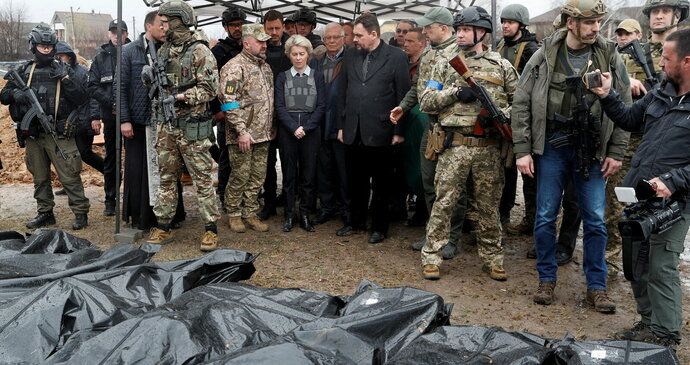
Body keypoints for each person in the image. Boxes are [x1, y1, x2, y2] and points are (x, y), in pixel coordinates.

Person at [512, 0, 631, 312]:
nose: (595, 28)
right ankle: (546, 280)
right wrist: (523, 150)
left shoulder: (609, 55)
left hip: (591, 149)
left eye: (598, 22)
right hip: (552, 146)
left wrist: (616, 151)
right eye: (589, 22)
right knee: (545, 215)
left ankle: (596, 287)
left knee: (595, 219)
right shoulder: (545, 54)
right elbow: (522, 102)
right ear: (570, 22)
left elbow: (625, 105)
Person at [590, 26, 690, 351]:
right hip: (639, 196)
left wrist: (672, 182)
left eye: (666, 57)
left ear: (687, 62)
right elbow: (631, 119)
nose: (660, 62)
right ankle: (648, 323)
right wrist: (607, 95)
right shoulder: (662, 91)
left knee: (660, 264)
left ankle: (665, 336)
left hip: (675, 203)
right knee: (636, 262)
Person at [419, 7, 517, 281]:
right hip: (454, 146)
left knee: (488, 207)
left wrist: (497, 117)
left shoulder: (501, 66)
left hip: (488, 147)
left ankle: (492, 259)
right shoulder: (444, 63)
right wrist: (455, 93)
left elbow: (519, 105)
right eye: (458, 29)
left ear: (482, 32)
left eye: (465, 30)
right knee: (444, 204)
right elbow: (426, 101)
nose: (459, 34)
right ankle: (432, 257)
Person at [145, 0, 221, 251]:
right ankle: (164, 225)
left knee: (202, 179)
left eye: (165, 22)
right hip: (167, 125)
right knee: (166, 177)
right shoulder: (163, 50)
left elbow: (210, 90)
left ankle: (210, 229)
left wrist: (180, 97)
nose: (162, 27)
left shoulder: (200, 51)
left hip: (192, 126)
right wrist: (151, 80)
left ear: (178, 22)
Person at [391, 7, 465, 260]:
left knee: (453, 188)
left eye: (429, 27)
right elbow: (418, 88)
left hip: (454, 130)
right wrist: (403, 106)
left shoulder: (462, 53)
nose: (424, 31)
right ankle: (435, 235)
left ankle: (452, 238)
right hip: (431, 129)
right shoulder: (430, 55)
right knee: (430, 184)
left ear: (444, 28)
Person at [0, 24, 90, 230]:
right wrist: (16, 95)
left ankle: (80, 212)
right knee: (40, 177)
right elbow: (4, 96)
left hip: (58, 132)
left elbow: (82, 98)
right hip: (33, 134)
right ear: (33, 46)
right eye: (42, 46)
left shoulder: (64, 69)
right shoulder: (24, 70)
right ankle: (45, 212)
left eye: (49, 47)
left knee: (70, 175)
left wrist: (66, 79)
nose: (47, 50)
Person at [336, 12, 410, 243]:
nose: (354, 39)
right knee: (355, 180)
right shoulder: (350, 55)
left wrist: (399, 131)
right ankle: (355, 222)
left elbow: (403, 95)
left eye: (359, 35)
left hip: (382, 130)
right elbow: (342, 92)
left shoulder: (396, 57)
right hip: (353, 130)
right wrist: (341, 126)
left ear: (374, 34)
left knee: (381, 183)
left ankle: (379, 227)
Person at [120, 11, 185, 231]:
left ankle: (169, 216)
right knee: (139, 170)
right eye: (161, 24)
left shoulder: (170, 50)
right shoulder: (129, 51)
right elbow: (119, 87)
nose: (166, 28)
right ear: (149, 26)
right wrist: (124, 120)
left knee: (167, 168)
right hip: (138, 121)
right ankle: (141, 217)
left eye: (167, 24)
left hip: (165, 120)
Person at [219, 24, 274, 234]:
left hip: (263, 133)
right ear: (247, 42)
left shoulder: (265, 67)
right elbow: (228, 102)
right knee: (240, 175)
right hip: (243, 135)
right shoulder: (234, 67)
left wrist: (272, 126)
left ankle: (250, 212)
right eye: (260, 41)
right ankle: (233, 213)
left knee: (257, 176)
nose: (264, 45)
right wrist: (241, 131)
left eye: (265, 41)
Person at [495, 4, 540, 233]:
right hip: (501, 117)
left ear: (520, 24)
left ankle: (531, 220)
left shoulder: (532, 49)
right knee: (504, 170)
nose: (505, 25)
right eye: (503, 21)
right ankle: (501, 216)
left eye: (510, 22)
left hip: (524, 119)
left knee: (529, 173)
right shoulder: (499, 45)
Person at [275, 35, 326, 232]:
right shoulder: (282, 77)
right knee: (289, 176)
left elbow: (321, 106)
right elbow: (279, 106)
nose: (298, 58)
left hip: (310, 132)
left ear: (308, 55)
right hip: (288, 132)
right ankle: (289, 215)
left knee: (308, 175)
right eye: (294, 54)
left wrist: (306, 127)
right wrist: (292, 127)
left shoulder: (317, 76)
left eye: (301, 54)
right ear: (289, 55)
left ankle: (305, 214)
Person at [88, 19, 130, 216]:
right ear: (108, 34)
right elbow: (92, 87)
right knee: (112, 158)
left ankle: (132, 199)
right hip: (110, 116)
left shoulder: (133, 52)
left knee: (133, 158)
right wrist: (107, 105)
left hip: (132, 116)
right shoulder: (100, 57)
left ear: (126, 34)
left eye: (120, 32)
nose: (116, 35)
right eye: (113, 32)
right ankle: (110, 199)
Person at [315, 22, 350, 227]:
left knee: (344, 169)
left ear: (343, 38)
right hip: (321, 122)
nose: (331, 41)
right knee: (324, 167)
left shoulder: (351, 59)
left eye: (335, 37)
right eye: (328, 38)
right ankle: (327, 207)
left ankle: (346, 208)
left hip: (341, 123)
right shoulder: (317, 61)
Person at [211, 6, 246, 208]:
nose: (237, 29)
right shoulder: (218, 51)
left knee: (245, 155)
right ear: (225, 27)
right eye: (233, 25)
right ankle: (224, 194)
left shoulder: (249, 47)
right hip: (226, 110)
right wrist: (217, 109)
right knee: (226, 154)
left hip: (247, 111)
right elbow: (211, 84)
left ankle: (244, 194)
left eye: (240, 25)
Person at [259, 10, 292, 221]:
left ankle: (290, 204)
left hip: (288, 116)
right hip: (266, 117)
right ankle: (269, 204)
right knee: (267, 164)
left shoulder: (293, 48)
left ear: (283, 27)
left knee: (289, 163)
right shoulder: (259, 49)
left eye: (277, 28)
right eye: (269, 29)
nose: (273, 33)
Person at [55, 41, 103, 174]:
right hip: (65, 121)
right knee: (66, 155)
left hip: (83, 120)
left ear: (69, 57)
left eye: (61, 56)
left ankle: (110, 172)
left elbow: (93, 96)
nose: (58, 60)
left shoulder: (82, 72)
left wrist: (94, 117)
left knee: (84, 153)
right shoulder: (55, 73)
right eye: (56, 57)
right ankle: (71, 185)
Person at [400, 27, 428, 226]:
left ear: (422, 43)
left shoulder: (427, 63)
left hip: (420, 121)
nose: (405, 43)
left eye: (410, 41)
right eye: (404, 40)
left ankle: (423, 209)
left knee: (421, 168)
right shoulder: (402, 62)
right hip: (404, 119)